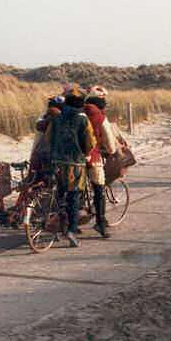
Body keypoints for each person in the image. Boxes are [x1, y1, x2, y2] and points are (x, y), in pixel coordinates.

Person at [43, 88, 96, 247]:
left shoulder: (57, 117)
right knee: (73, 198)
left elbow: (47, 138)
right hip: (75, 165)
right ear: (81, 104)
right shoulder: (83, 119)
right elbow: (91, 143)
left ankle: (58, 227)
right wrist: (84, 153)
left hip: (57, 163)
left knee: (60, 196)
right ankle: (71, 231)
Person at [83, 86, 118, 238]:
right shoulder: (101, 118)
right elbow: (110, 144)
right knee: (99, 190)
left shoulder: (79, 113)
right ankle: (101, 223)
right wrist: (111, 151)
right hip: (94, 157)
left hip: (76, 158)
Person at [24, 95, 63, 186]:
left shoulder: (43, 117)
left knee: (33, 179)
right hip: (50, 155)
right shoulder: (60, 120)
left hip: (37, 152)